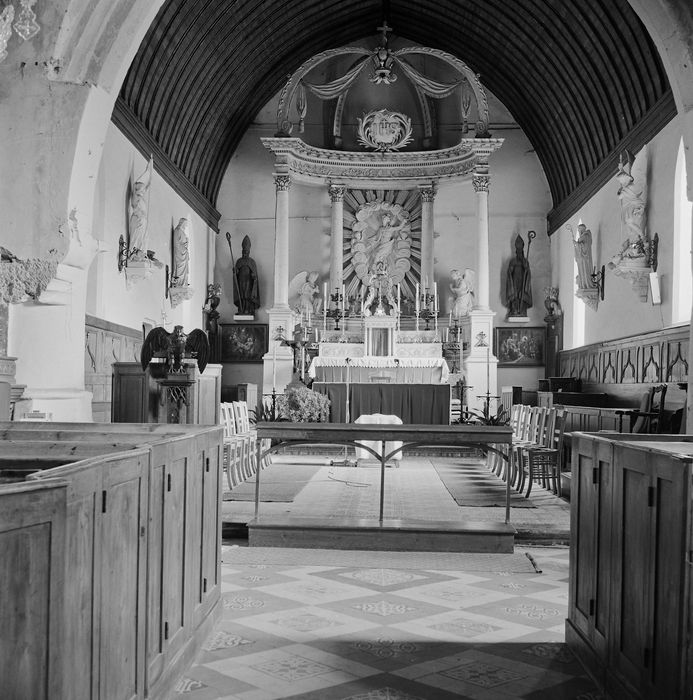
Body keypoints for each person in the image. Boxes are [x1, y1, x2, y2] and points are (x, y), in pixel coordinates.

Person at [128, 157, 153, 259]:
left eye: (143, 190)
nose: (143, 192)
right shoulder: (136, 199)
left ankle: (141, 251)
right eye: (141, 190)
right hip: (138, 221)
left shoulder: (141, 199)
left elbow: (145, 188)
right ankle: (134, 251)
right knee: (137, 237)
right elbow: (135, 205)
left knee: (144, 237)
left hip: (143, 222)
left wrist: (149, 180)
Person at [505, 234, 532, 316]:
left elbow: (528, 271)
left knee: (522, 295)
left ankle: (522, 311)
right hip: (514, 280)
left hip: (523, 280)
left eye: (521, 251)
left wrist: (526, 267)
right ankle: (514, 310)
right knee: (515, 295)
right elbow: (509, 272)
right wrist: (511, 269)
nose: (519, 252)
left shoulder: (525, 261)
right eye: (518, 250)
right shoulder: (513, 261)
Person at [234, 234, 260, 315]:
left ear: (249, 252)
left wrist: (254, 276)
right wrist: (235, 271)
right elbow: (236, 273)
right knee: (242, 296)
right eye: (244, 251)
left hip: (249, 281)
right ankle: (241, 309)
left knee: (248, 296)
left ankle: (248, 310)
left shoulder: (252, 262)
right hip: (241, 281)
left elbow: (255, 274)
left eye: (246, 252)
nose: (245, 253)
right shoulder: (239, 261)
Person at [569, 223, 594, 289]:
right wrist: (576, 245)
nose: (579, 232)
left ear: (582, 229)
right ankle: (583, 284)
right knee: (582, 272)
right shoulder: (582, 237)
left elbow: (585, 247)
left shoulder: (586, 236)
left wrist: (577, 244)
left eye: (579, 230)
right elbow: (579, 247)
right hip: (581, 259)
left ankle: (587, 284)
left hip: (585, 258)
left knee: (585, 271)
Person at [170, 217, 190, 287]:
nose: (186, 226)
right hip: (180, 254)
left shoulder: (182, 232)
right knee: (179, 267)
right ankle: (178, 282)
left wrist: (186, 243)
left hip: (184, 254)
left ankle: (183, 283)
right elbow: (176, 243)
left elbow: (184, 243)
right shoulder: (177, 230)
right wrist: (183, 248)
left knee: (183, 269)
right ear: (182, 223)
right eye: (185, 224)